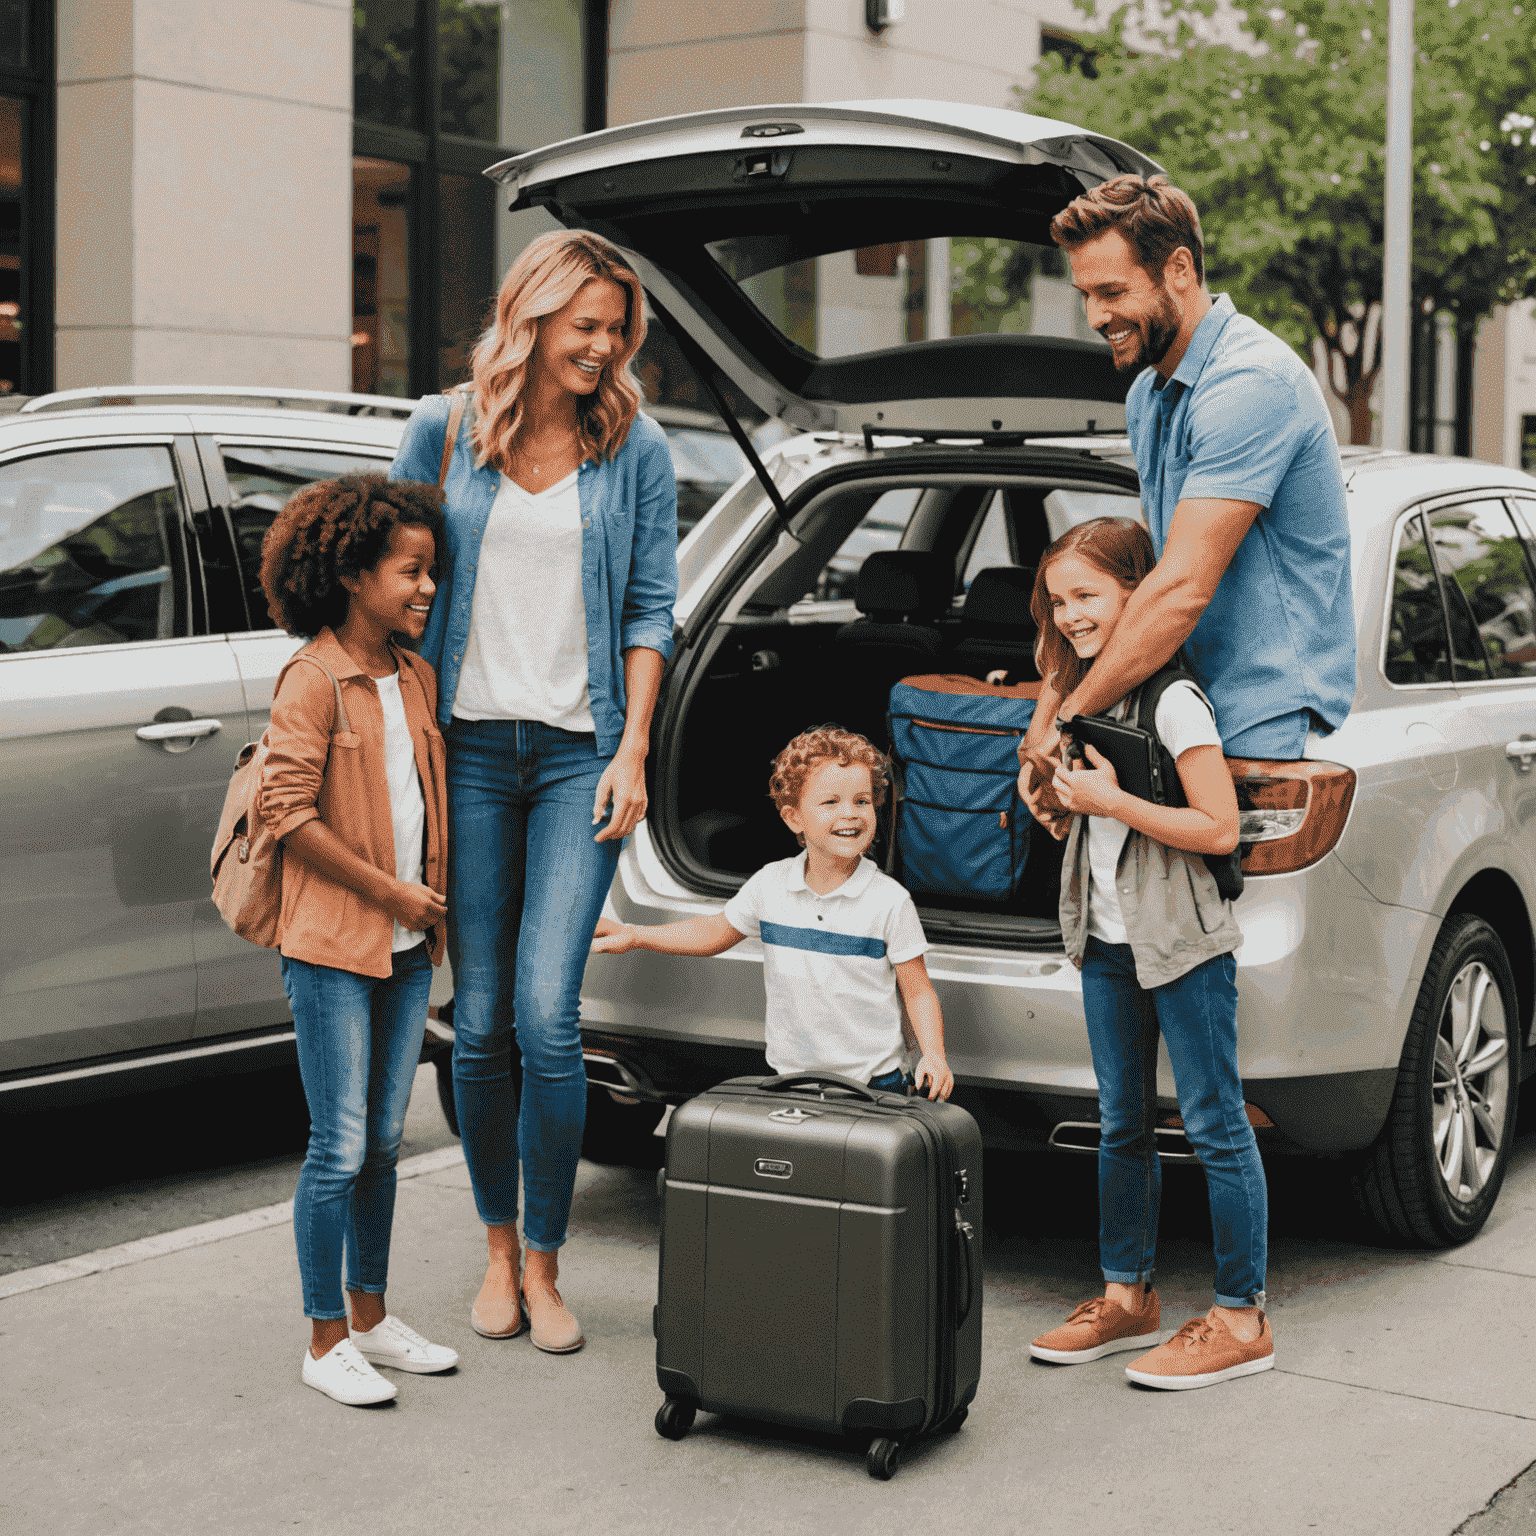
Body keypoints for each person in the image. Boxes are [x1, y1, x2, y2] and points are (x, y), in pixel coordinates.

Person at [389, 229, 678, 1354]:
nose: (604, 349)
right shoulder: (444, 429)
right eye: (586, 326)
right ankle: (496, 1250)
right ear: (533, 317)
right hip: (463, 752)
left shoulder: (634, 445)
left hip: (575, 757)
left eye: (618, 330)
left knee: (549, 1019)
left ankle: (549, 1265)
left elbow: (651, 606)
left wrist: (633, 749)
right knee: (482, 1023)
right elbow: (396, 581)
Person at [1018, 173, 1355, 827]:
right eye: (1085, 295)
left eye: (1112, 292)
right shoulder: (1149, 393)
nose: (1095, 317)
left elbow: (1179, 589)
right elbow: (1141, 578)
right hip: (1177, 711)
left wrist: (1068, 720)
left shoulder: (1250, 383)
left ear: (1178, 269)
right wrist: (1053, 724)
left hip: (1266, 734)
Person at [1022, 517, 1272, 1390]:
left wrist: (1112, 801)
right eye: (1060, 601)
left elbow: (1218, 827)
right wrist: (1064, 802)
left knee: (1213, 1124)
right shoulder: (1087, 694)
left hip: (1183, 944)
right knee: (1122, 1121)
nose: (1074, 614)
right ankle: (1127, 1298)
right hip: (1108, 942)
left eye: (1089, 594)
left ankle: (1243, 1317)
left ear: (1141, 593)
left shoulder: (1171, 698)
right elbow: (1093, 817)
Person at [257, 473, 456, 1407]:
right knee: (337, 1145)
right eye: (410, 570)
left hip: (407, 949)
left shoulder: (413, 677)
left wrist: (424, 908)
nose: (426, 587)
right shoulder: (313, 678)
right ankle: (323, 1337)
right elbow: (284, 812)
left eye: (432, 571)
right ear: (350, 573)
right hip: (335, 944)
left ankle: (371, 1319)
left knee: (382, 1142)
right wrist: (392, 894)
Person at [592, 726, 954, 1101]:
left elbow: (918, 992)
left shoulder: (888, 901)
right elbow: (715, 931)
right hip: (791, 1080)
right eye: (830, 803)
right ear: (793, 817)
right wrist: (636, 935)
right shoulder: (771, 885)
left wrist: (934, 1056)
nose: (850, 814)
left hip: (874, 1086)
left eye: (862, 801)